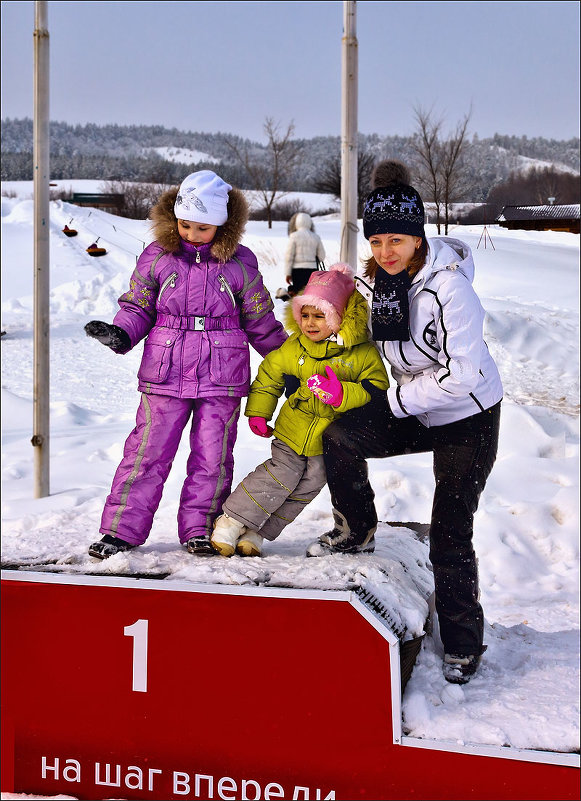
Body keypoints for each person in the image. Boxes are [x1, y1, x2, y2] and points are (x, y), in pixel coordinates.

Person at [308, 160, 503, 686]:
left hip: (468, 415)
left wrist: (393, 401)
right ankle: (356, 529)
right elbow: (359, 339)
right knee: (340, 435)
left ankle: (464, 644)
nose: (387, 251)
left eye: (398, 239)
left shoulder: (451, 290)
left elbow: (461, 376)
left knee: (449, 528)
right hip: (416, 405)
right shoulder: (378, 287)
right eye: (377, 241)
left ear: (419, 239)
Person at [84, 170, 287, 558]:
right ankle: (121, 530)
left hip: (221, 374)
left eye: (203, 228)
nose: (192, 234)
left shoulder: (241, 264)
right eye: (185, 225)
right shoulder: (158, 256)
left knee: (212, 457)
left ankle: (200, 526)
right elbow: (138, 305)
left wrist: (290, 363)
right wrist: (123, 334)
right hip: (165, 370)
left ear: (223, 225)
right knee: (147, 453)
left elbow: (261, 322)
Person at [209, 262, 389, 557]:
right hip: (293, 429)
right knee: (284, 473)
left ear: (342, 318)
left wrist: (343, 392)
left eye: (320, 316)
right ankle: (232, 520)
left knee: (312, 482)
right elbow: (270, 374)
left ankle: (258, 532)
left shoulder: (361, 353)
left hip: (328, 439)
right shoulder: (296, 347)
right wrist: (259, 411)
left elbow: (376, 389)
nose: (309, 323)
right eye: (304, 315)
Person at [284, 211, 326, 296]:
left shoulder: (294, 236)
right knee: (310, 294)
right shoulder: (316, 237)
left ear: (297, 223)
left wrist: (288, 273)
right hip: (312, 270)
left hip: (297, 271)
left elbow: (289, 256)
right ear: (309, 223)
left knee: (299, 293)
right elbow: (322, 256)